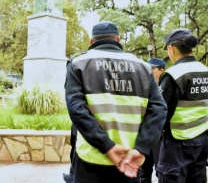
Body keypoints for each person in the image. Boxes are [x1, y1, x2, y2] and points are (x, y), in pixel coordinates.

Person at [65, 21, 167, 183]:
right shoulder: (143, 66)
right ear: (118, 39)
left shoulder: (78, 63)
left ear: (92, 41)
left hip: (90, 158)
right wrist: (141, 147)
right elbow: (159, 109)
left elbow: (76, 110)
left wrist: (108, 146)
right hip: (129, 158)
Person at [156, 29, 208, 183]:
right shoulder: (205, 71)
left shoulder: (175, 74)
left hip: (177, 144)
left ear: (171, 48)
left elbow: (161, 113)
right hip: (202, 141)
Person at [140, 58, 166, 183]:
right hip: (144, 135)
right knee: (142, 172)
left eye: (152, 69)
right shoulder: (142, 87)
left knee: (160, 171)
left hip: (159, 137)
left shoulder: (166, 87)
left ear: (162, 70)